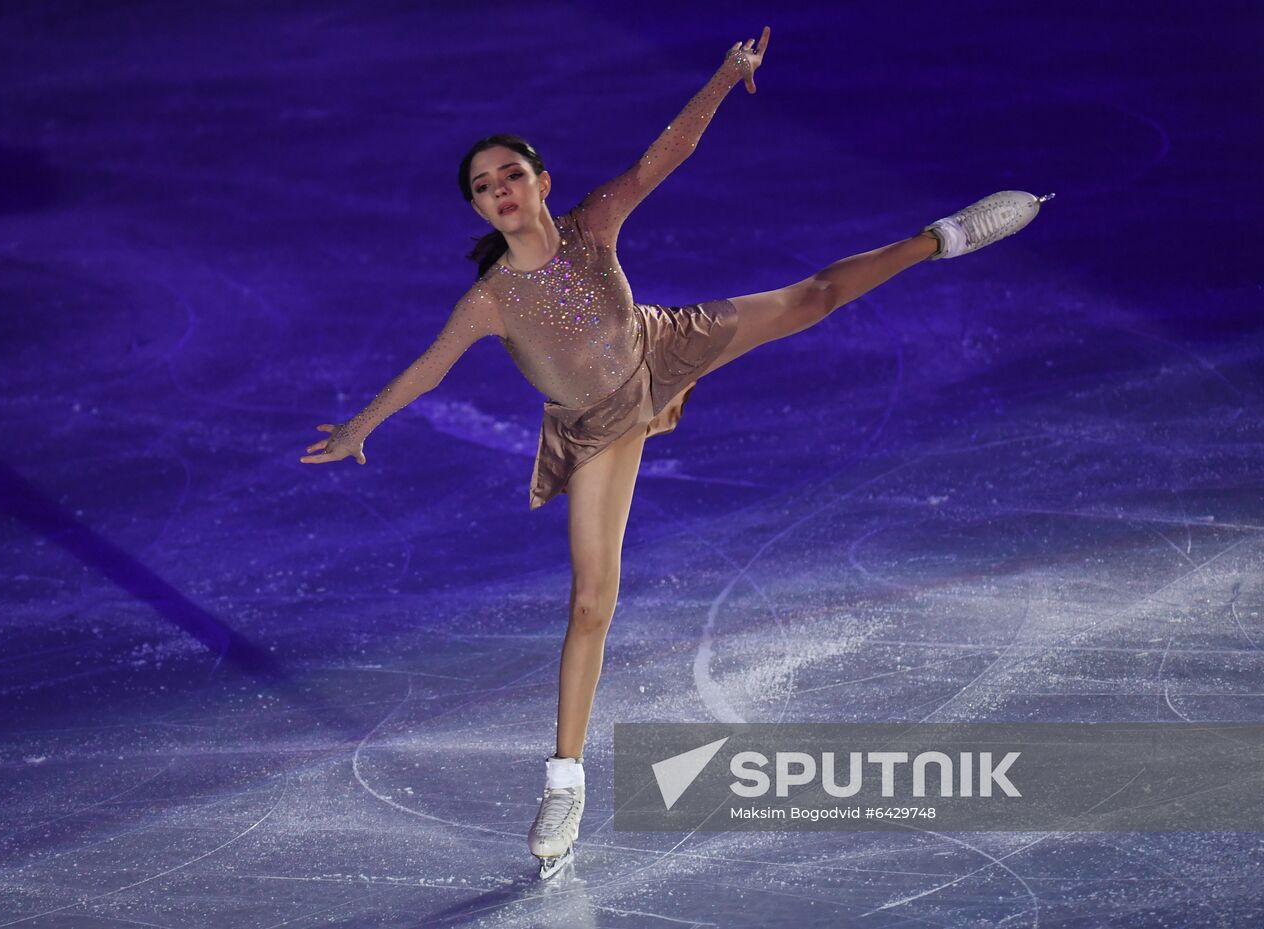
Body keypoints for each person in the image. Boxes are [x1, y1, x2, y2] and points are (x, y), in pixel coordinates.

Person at [300, 26, 1052, 878]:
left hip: (665, 346)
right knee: (591, 603)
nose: (501, 190)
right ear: (477, 209)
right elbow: (428, 370)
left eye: (512, 174)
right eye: (484, 186)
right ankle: (566, 779)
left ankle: (942, 237)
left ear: (541, 184)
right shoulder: (491, 301)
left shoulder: (593, 224)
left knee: (814, 297)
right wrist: (360, 427)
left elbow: (670, 152)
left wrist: (729, 74)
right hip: (598, 426)